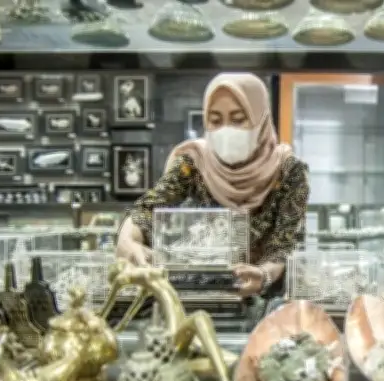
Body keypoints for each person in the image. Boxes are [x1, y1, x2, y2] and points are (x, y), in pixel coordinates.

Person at [116, 73, 309, 313]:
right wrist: (128, 239)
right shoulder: (195, 162)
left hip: (267, 301)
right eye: (215, 120)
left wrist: (263, 275)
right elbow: (148, 207)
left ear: (260, 119)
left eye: (238, 119)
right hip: (203, 296)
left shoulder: (289, 171)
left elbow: (284, 245)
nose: (226, 130)